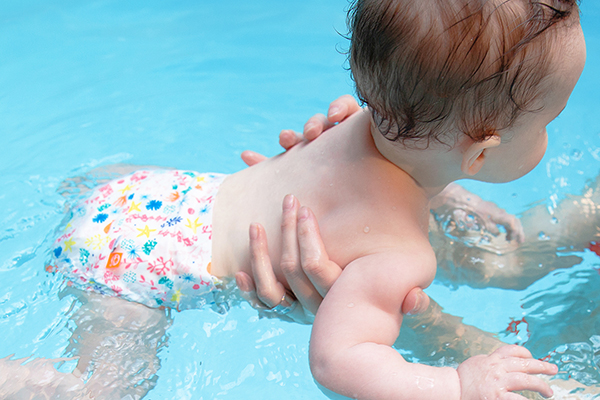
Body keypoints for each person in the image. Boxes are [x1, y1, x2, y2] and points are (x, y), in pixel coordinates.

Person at [32, 1, 588, 400]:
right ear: (482, 154)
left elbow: (413, 164)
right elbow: (337, 363)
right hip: (127, 272)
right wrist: (459, 385)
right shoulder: (398, 253)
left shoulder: (355, 116)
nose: (549, 135)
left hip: (142, 194)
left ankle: (81, 192)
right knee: (107, 390)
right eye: (549, 121)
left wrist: (449, 194)